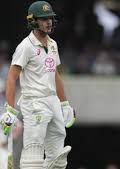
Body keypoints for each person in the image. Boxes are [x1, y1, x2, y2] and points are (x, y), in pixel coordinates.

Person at [0, 1, 76, 168]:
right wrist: (10, 110)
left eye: (50, 18)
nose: (48, 22)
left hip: (52, 101)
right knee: (33, 154)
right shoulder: (25, 46)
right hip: (34, 101)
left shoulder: (52, 44)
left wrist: (65, 104)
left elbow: (55, 76)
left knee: (58, 158)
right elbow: (11, 78)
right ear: (33, 21)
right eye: (43, 19)